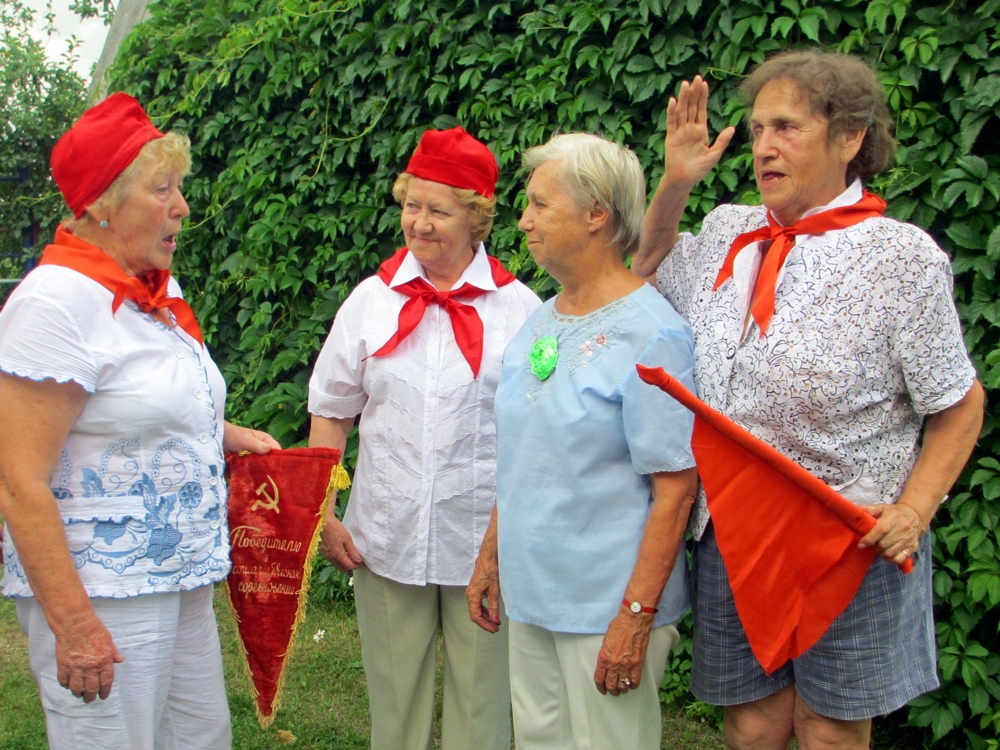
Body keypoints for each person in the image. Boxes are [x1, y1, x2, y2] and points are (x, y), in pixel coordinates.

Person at [631, 51, 984, 750]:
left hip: (844, 540)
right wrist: (673, 182)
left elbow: (958, 403)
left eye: (787, 127)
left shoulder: (902, 259)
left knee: (828, 732)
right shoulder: (731, 231)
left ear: (849, 137)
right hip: (735, 529)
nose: (764, 145)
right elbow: (645, 267)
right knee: (753, 725)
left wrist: (915, 510)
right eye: (758, 128)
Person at [0, 93, 279, 750]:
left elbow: (153, 405)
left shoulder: (155, 289)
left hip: (178, 572)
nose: (182, 206)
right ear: (100, 203)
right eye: (162, 190)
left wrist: (226, 434)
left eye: (178, 187)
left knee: (200, 737)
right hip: (103, 589)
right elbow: (17, 480)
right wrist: (74, 624)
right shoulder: (57, 304)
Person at [308, 126, 540, 750]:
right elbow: (331, 410)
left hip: (483, 546)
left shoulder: (522, 310)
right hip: (385, 537)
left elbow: (539, 429)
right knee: (395, 713)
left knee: (482, 714)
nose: (420, 222)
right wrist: (323, 512)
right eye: (412, 204)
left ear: (476, 216)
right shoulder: (370, 302)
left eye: (438, 210)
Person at [467, 133, 699, 750]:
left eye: (541, 204)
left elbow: (675, 489)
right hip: (532, 591)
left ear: (598, 214)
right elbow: (524, 455)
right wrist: (493, 558)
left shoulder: (653, 335)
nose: (524, 220)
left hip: (605, 608)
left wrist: (636, 615)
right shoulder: (541, 319)